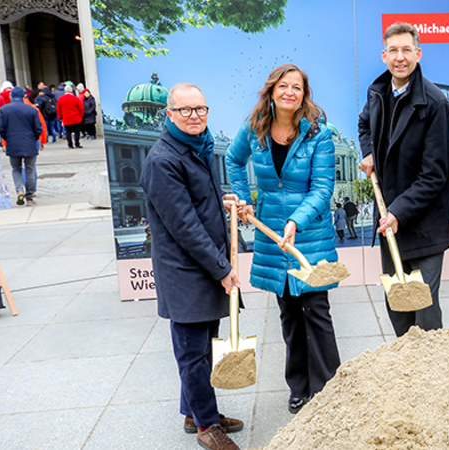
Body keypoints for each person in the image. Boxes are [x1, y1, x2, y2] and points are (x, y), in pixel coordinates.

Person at [226, 63, 341, 415]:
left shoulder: (318, 134)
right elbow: (233, 160)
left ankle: (329, 387)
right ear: (272, 91)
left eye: (298, 88)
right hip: (271, 236)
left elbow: (323, 189)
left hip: (309, 235)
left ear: (304, 94)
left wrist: (296, 219)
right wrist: (244, 199)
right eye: (284, 86)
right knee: (290, 315)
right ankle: (299, 387)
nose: (290, 92)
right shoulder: (254, 129)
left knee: (316, 311)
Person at [139, 82, 244, 450]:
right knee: (193, 354)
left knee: (204, 346)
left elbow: (198, 205)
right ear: (169, 114)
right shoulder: (163, 160)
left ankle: (196, 411)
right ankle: (205, 427)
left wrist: (224, 201)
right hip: (185, 272)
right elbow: (184, 226)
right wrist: (222, 268)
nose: (194, 116)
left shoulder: (197, 147)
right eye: (185, 110)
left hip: (204, 266)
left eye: (200, 109)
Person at [358, 22, 449, 337]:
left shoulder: (435, 103)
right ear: (384, 55)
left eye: (407, 50)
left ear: (418, 53)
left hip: (424, 224)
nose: (400, 57)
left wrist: (398, 212)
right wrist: (369, 151)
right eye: (394, 51)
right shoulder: (378, 92)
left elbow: (435, 174)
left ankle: (432, 376)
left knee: (425, 314)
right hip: (392, 223)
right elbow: (364, 124)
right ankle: (406, 374)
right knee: (398, 306)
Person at [0, 87, 42, 206]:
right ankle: (29, 197)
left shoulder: (3, 110)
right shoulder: (31, 110)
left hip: (13, 144)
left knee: (16, 169)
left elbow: (1, 128)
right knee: (29, 169)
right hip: (29, 143)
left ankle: (19, 190)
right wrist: (34, 138)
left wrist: (7, 139)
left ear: (12, 97)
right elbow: (38, 128)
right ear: (23, 97)